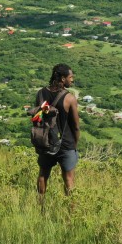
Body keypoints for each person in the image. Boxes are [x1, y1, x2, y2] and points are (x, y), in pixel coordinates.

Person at [35, 64, 81, 206]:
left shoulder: (41, 94)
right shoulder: (69, 98)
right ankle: (71, 213)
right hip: (66, 143)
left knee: (43, 174)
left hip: (46, 141)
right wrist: (75, 144)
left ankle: (41, 207)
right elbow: (76, 126)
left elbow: (39, 116)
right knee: (69, 179)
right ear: (62, 78)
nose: (72, 80)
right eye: (70, 77)